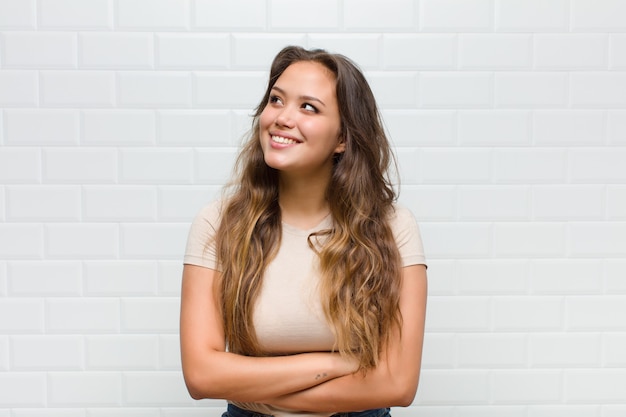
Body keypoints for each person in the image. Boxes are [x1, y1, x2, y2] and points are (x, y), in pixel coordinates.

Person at [180, 45, 428, 417]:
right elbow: (201, 375)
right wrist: (338, 365)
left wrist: (255, 392)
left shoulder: (393, 227)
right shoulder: (218, 223)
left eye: (308, 107)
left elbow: (398, 384)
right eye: (276, 100)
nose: (282, 117)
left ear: (343, 138)